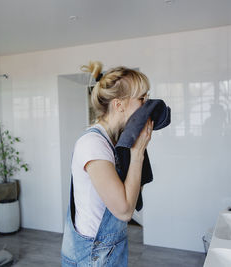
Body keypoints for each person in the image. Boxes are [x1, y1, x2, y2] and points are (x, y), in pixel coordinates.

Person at [61, 61, 153, 267]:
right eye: (141, 98)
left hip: (109, 247)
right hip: (95, 254)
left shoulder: (113, 141)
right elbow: (124, 211)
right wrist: (137, 153)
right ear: (119, 105)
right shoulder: (93, 145)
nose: (147, 104)